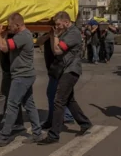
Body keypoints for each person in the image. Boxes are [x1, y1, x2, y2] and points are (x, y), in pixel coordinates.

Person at [0, 13, 42, 146]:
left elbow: (4, 48)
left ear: (18, 25)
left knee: (12, 105)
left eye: (11, 26)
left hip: (21, 76)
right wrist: (3, 34)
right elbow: (4, 44)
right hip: (25, 75)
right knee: (29, 104)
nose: (9, 28)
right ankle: (37, 133)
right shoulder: (23, 34)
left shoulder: (22, 36)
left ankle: (4, 136)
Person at [38, 11, 92, 145]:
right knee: (68, 100)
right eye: (56, 24)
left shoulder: (73, 33)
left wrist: (55, 35)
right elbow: (49, 46)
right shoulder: (66, 32)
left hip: (71, 70)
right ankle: (85, 123)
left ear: (67, 22)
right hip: (65, 70)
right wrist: (52, 35)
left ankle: (54, 134)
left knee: (59, 100)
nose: (57, 27)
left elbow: (57, 51)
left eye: (58, 24)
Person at [36, 32, 75, 129]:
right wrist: (48, 35)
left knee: (52, 94)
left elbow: (56, 50)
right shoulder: (48, 33)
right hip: (52, 69)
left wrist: (54, 36)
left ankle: (54, 119)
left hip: (59, 69)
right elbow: (38, 42)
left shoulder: (63, 35)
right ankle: (67, 116)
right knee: (65, 95)